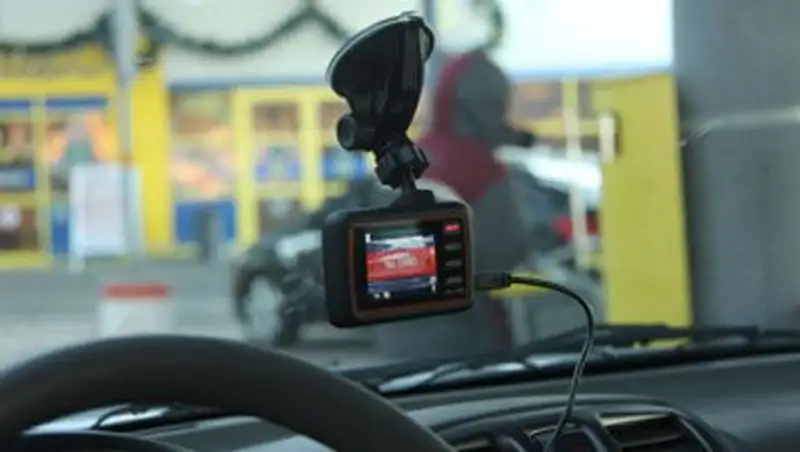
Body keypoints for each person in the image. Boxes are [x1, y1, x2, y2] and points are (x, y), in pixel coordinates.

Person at [373, 50, 537, 361]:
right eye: (495, 106)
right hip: (468, 345)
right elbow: (506, 254)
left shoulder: (408, 162)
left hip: (397, 342)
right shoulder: (483, 171)